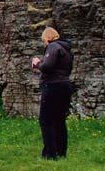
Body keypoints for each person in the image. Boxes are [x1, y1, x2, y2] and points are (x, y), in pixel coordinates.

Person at [31, 27, 73, 160]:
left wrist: (38, 63)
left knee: (46, 120)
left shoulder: (53, 47)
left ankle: (50, 154)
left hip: (53, 86)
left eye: (43, 40)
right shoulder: (66, 49)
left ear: (47, 38)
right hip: (65, 85)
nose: (44, 43)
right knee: (59, 120)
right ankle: (61, 152)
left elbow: (47, 67)